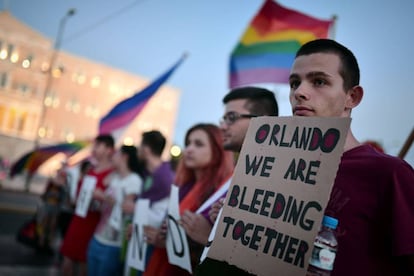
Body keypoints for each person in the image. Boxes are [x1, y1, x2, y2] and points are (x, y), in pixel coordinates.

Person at [288, 39, 414, 275]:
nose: (299, 92)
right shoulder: (280, 169)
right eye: (294, 83)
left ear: (352, 97)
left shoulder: (390, 174)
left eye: (319, 81)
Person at [196, 86, 279, 275]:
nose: (223, 126)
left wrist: (208, 236)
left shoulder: (277, 181)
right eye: (224, 119)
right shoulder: (240, 172)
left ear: (262, 122)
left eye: (231, 118)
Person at [143, 123, 235, 275]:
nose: (189, 149)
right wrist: (155, 235)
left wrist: (206, 238)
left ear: (218, 150)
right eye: (188, 143)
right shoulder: (183, 187)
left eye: (198, 144)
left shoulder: (223, 195)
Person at [60, 134, 115, 276]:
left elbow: (111, 202)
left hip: (93, 223)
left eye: (98, 146)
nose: (94, 149)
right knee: (66, 263)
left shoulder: (113, 174)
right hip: (78, 220)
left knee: (85, 267)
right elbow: (77, 197)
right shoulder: (90, 170)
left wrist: (99, 198)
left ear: (109, 149)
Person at [122, 130, 175, 275]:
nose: (138, 150)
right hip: (137, 236)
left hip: (150, 244)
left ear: (146, 149)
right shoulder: (148, 173)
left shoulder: (166, 179)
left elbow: (164, 215)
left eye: (140, 147)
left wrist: (136, 208)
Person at [87, 145, 143, 276]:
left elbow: (128, 210)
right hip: (98, 237)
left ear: (125, 157)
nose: (113, 156)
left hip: (114, 243)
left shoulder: (134, 180)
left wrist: (103, 196)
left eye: (117, 153)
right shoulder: (115, 178)